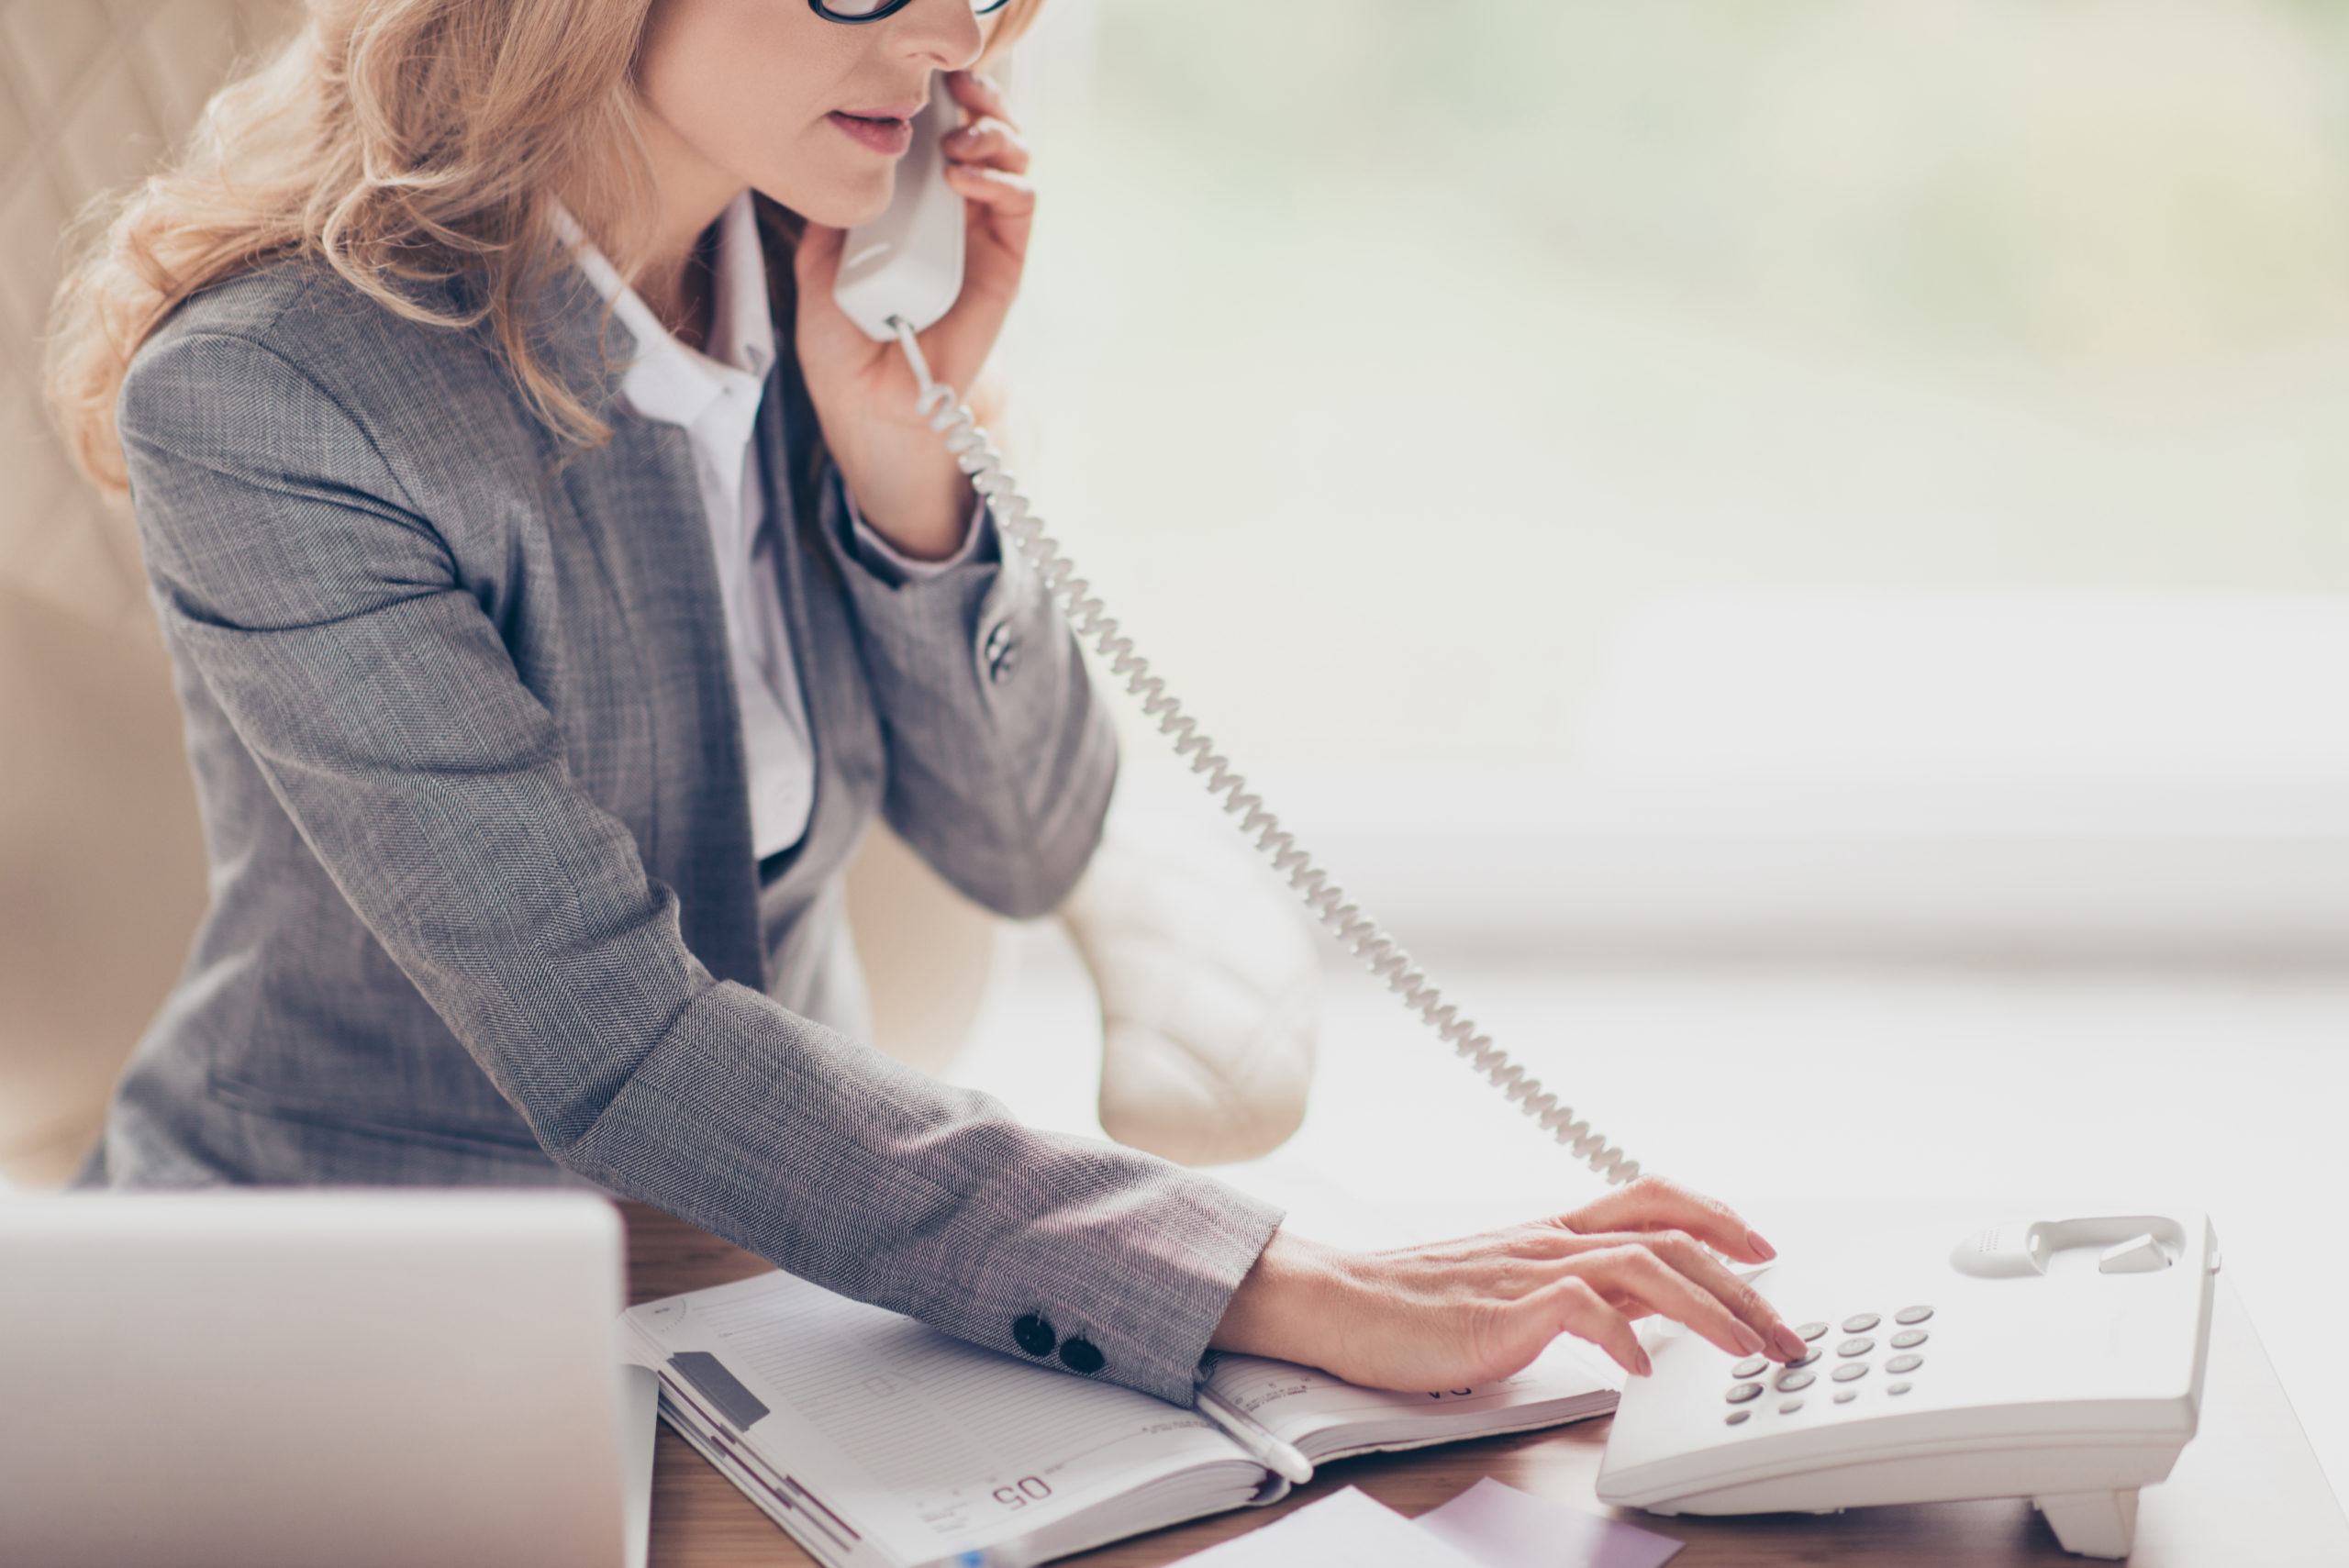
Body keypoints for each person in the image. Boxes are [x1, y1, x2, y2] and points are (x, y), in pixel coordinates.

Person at [46, 0, 1807, 1407]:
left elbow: (1027, 837)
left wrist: (915, 482)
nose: (955, 39)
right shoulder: (272, 397)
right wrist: (1273, 1278)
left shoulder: (812, 274)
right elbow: (617, 1039)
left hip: (798, 1293)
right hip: (333, 1322)